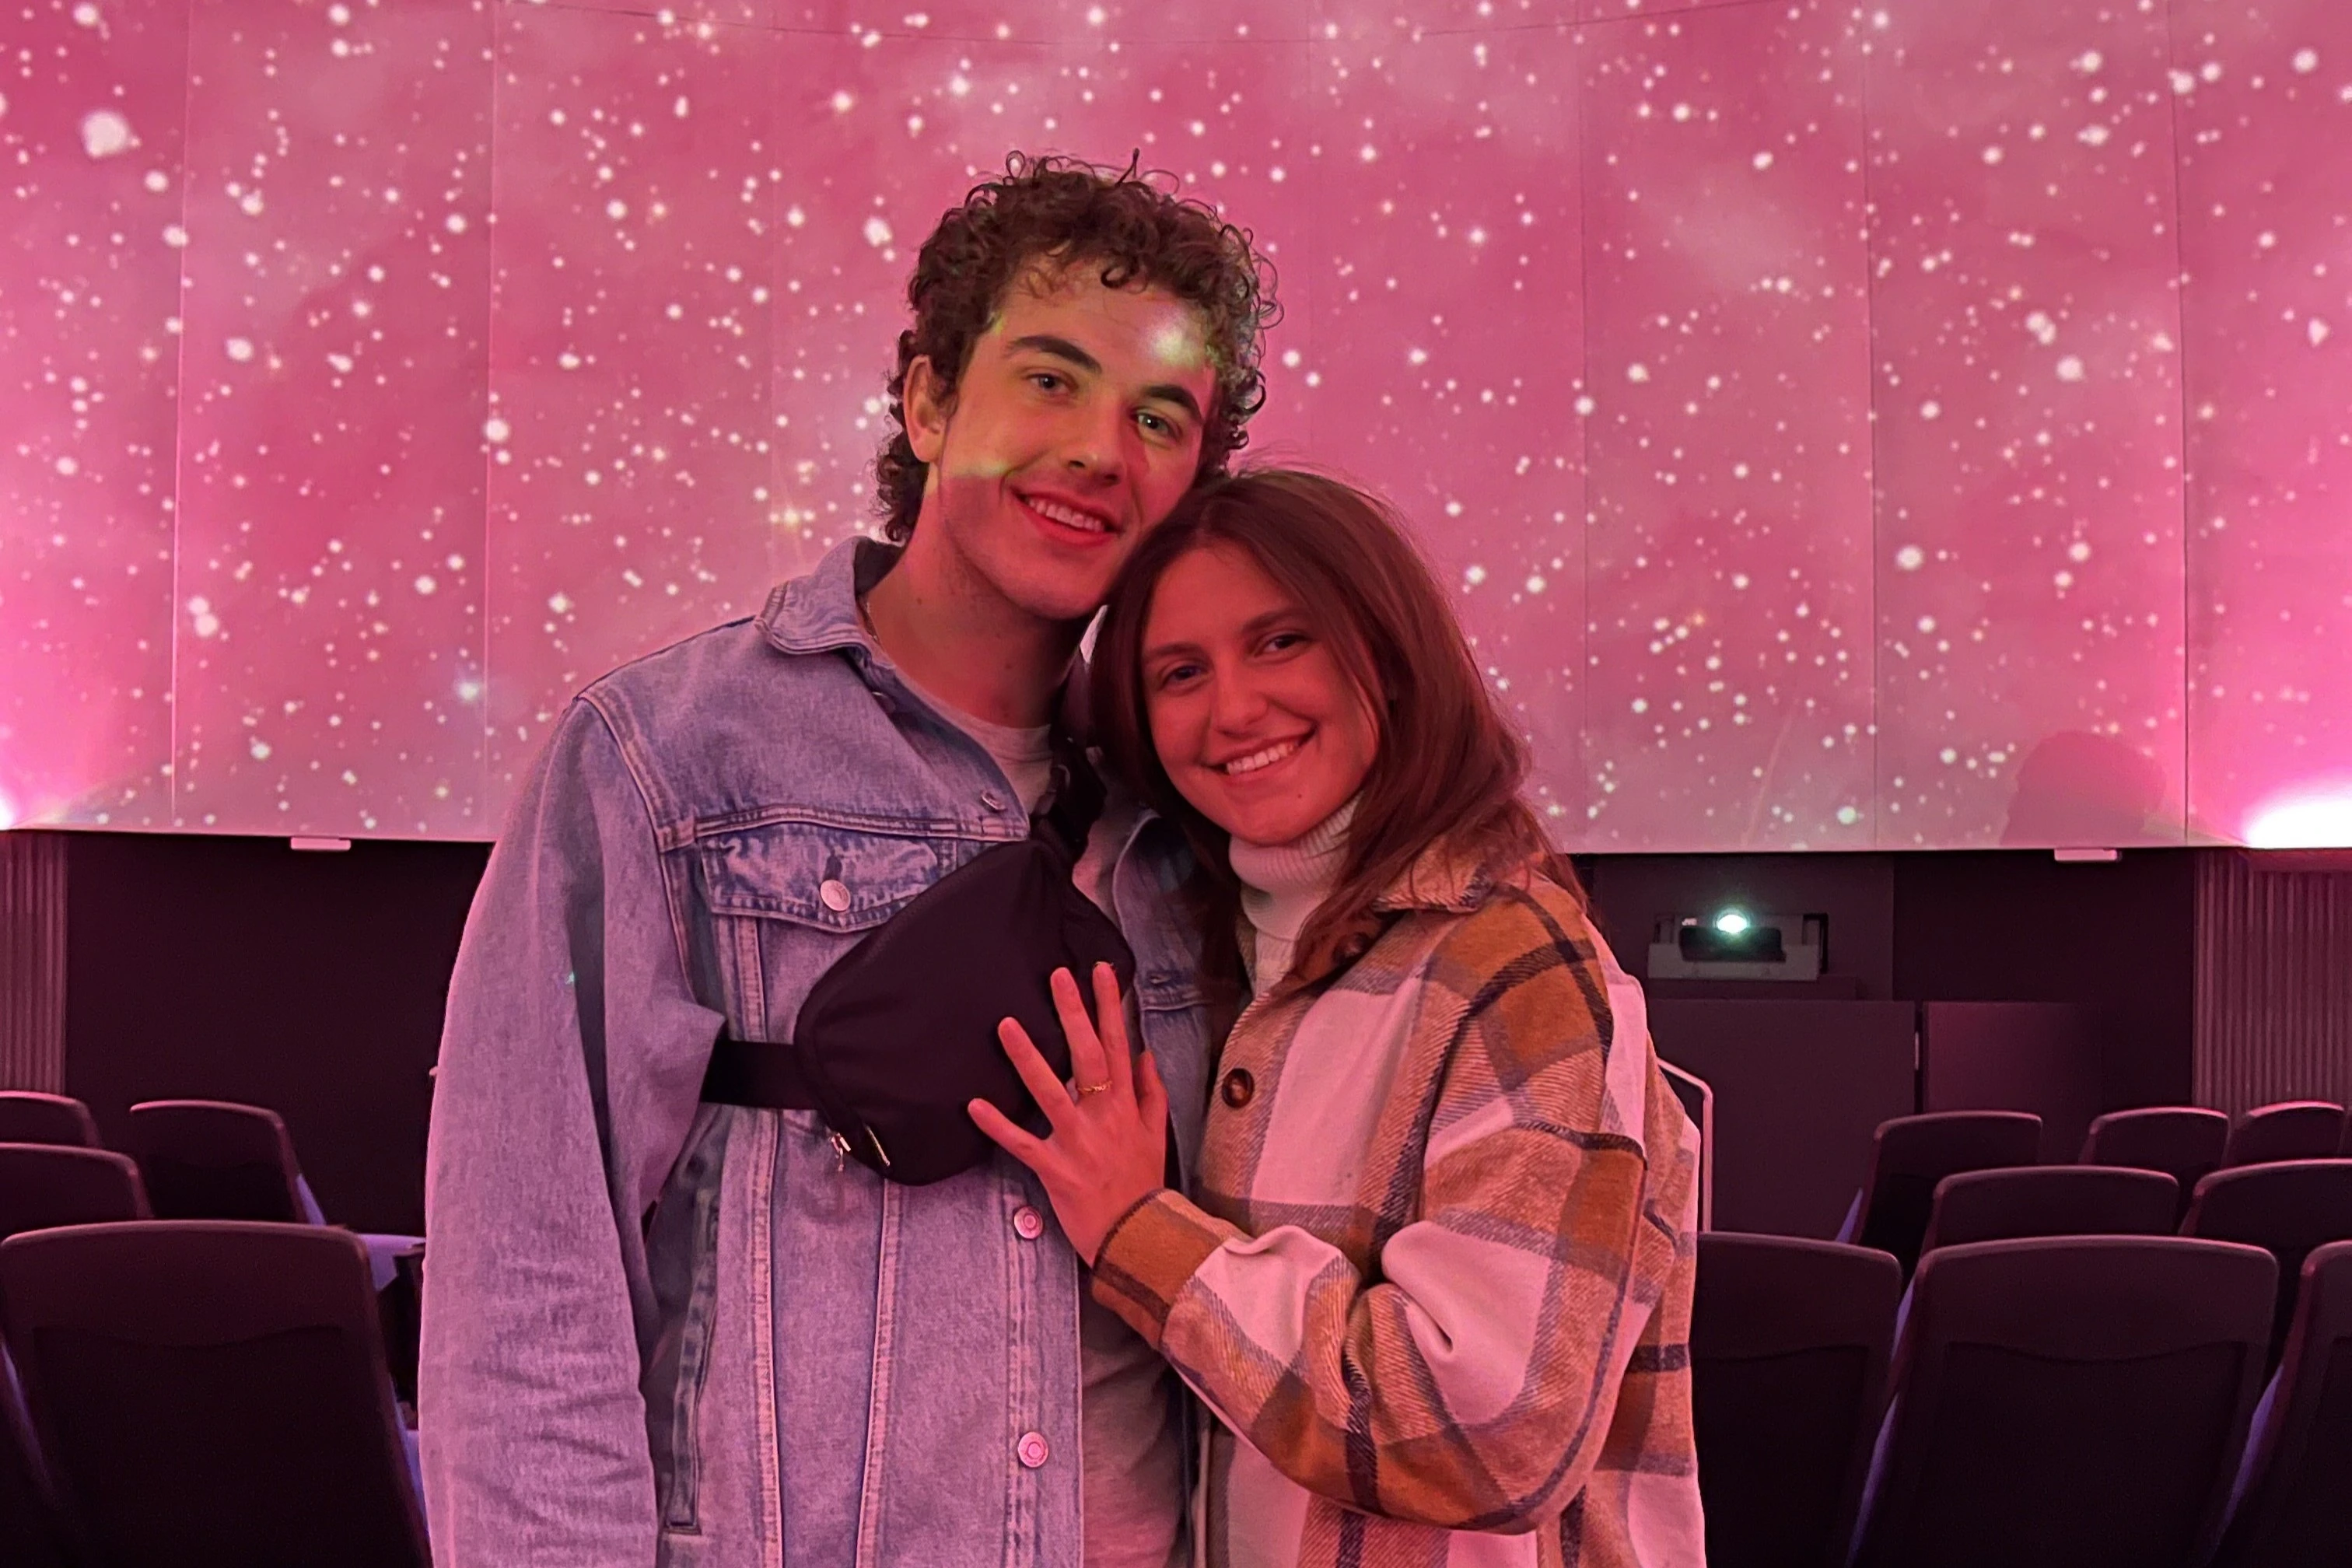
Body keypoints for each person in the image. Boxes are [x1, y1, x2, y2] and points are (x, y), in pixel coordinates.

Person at [419, 155, 1276, 1567]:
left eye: (1159, 416)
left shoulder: (1190, 814)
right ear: (932, 402)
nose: (1098, 451)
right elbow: (527, 1286)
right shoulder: (664, 759)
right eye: (1050, 380)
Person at [971, 469, 1706, 1566]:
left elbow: (1487, 1434)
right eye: (1181, 672)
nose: (1232, 709)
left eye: (1280, 642)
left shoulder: (1509, 967)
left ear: (1388, 652)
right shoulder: (1234, 949)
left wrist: (1141, 1236)